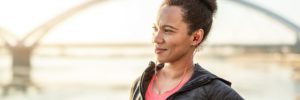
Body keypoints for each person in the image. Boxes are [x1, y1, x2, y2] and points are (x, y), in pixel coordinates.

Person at [130, 0, 244, 100]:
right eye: (155, 29)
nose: (156, 38)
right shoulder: (139, 85)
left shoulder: (214, 92)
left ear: (196, 37)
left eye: (168, 30)